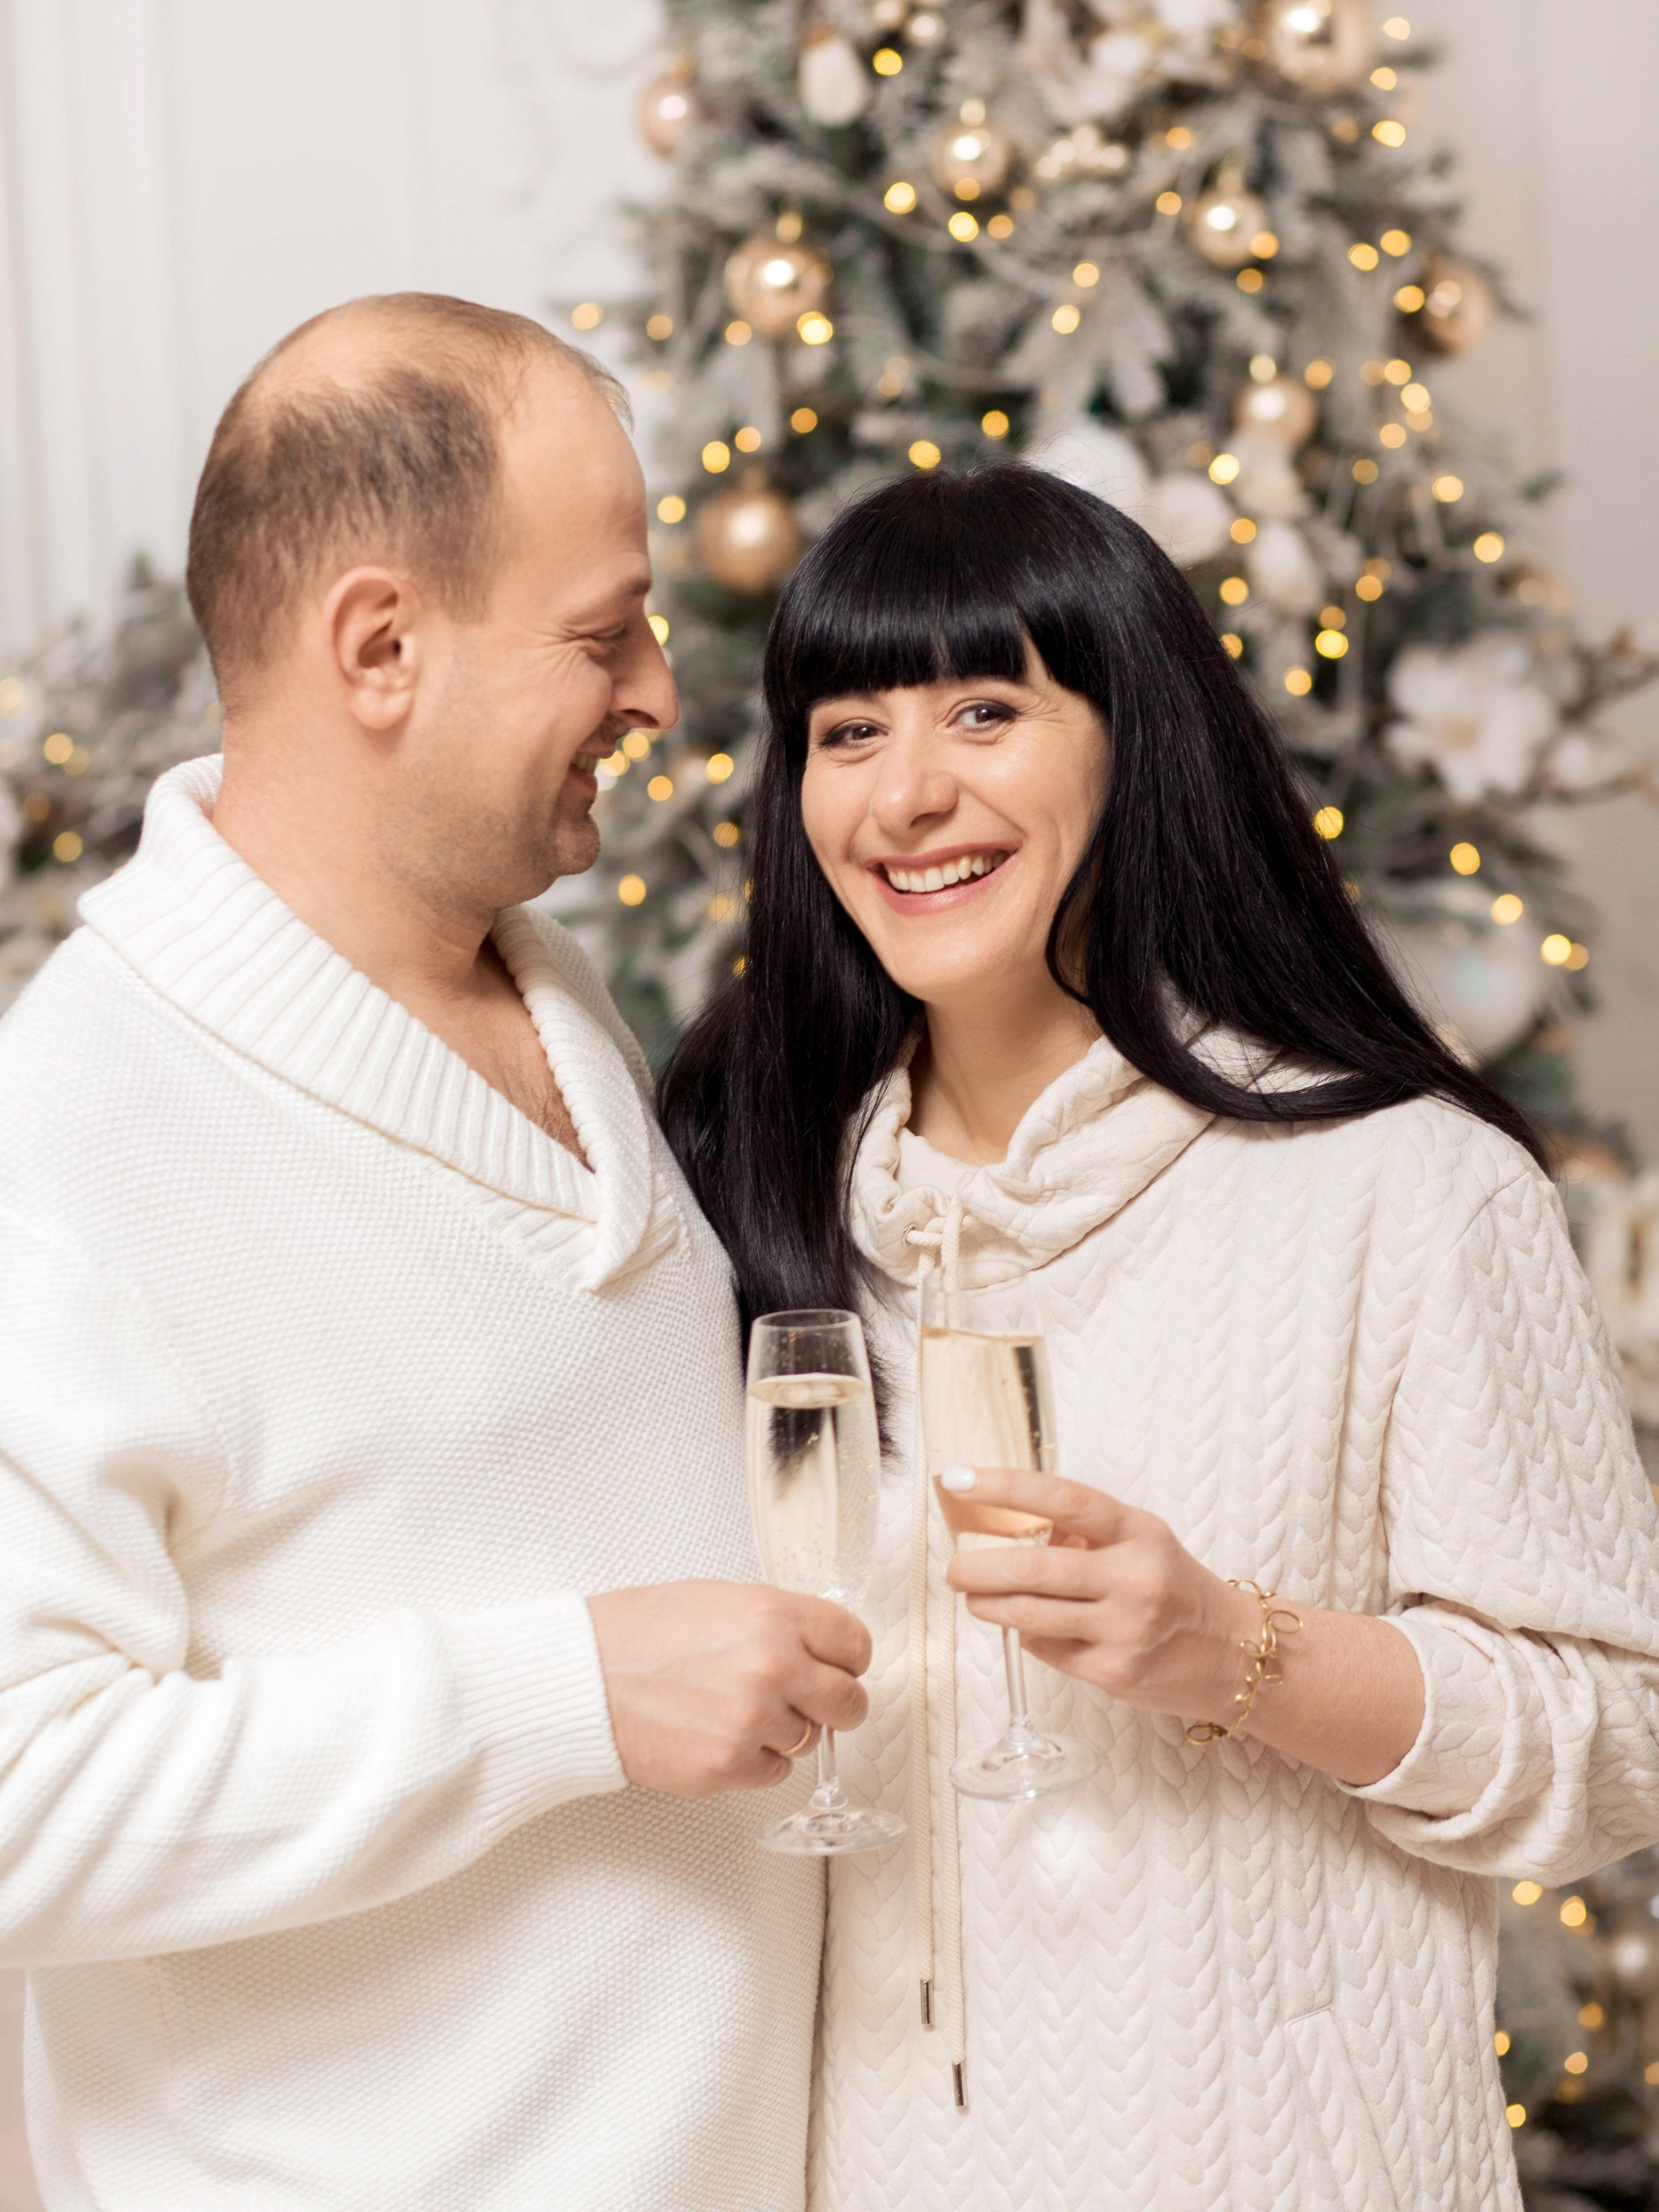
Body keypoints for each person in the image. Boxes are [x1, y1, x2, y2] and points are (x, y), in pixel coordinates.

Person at [662, 463, 1659, 2212]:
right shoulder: (739, 1185)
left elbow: (1616, 1742)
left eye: (988, 710)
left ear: (1139, 744)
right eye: (847, 731)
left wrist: (1231, 1650)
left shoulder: (1405, 1186)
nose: (907, 792)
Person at [0, 294, 871, 2211]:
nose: (659, 692)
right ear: (381, 647)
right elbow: (19, 1805)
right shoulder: (65, 1143)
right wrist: (563, 1698)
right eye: (601, 631)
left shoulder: (556, 1001)